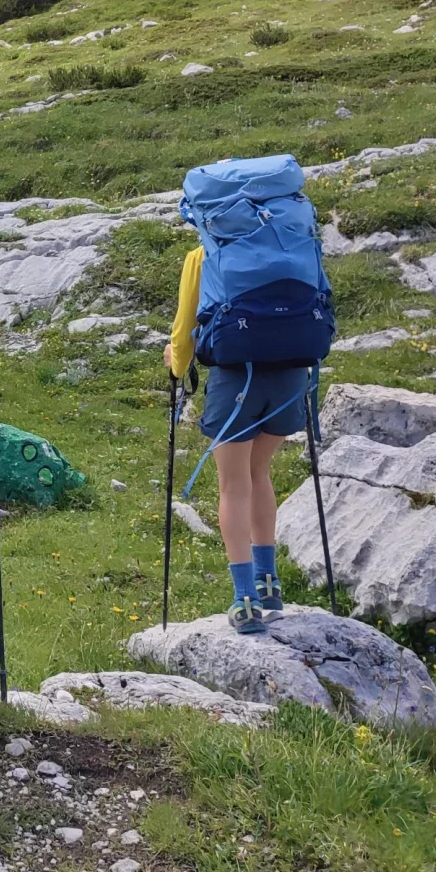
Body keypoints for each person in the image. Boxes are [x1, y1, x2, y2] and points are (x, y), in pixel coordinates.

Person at [164, 247, 307, 634]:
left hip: (236, 377)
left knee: (233, 485)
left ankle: (244, 599)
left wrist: (176, 365)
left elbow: (185, 326)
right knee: (259, 473)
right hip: (291, 375)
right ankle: (269, 583)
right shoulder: (290, 243)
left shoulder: (203, 253)